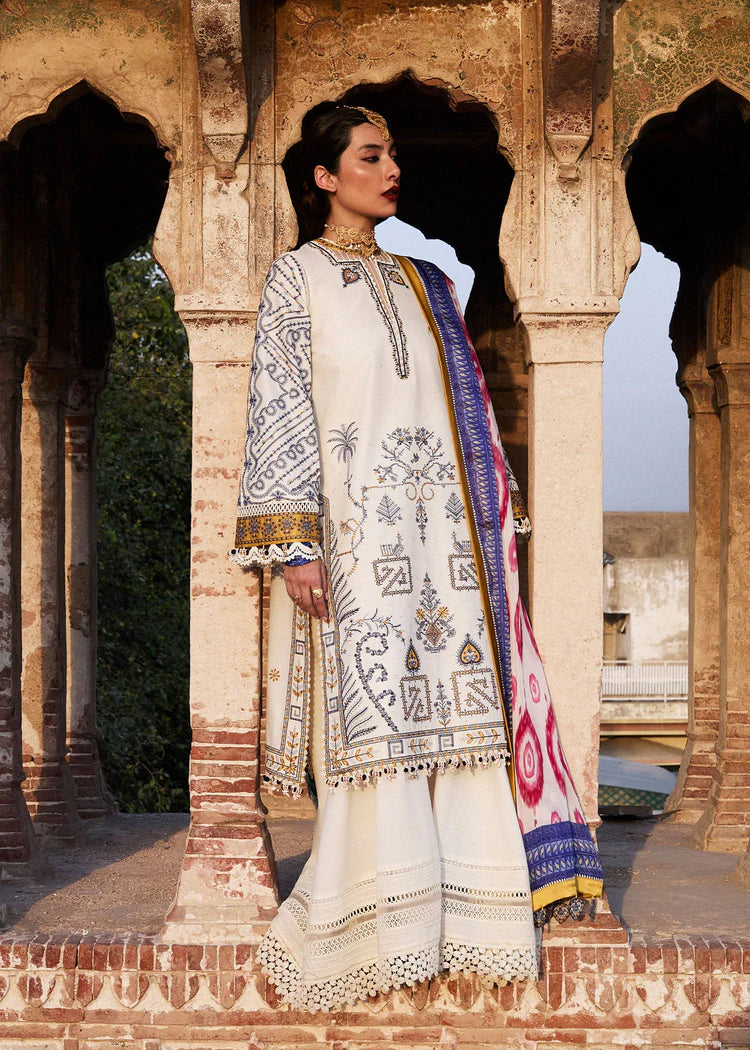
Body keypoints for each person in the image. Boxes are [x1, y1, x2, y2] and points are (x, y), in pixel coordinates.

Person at [230, 101, 603, 1012]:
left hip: (447, 544)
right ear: (325, 177)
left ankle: (475, 911)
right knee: (375, 713)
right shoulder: (297, 279)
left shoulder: (426, 283)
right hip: (359, 540)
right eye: (370, 156)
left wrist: (494, 525)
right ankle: (378, 921)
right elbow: (279, 407)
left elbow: (466, 419)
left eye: (392, 153)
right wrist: (296, 546)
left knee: (463, 709)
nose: (391, 168)